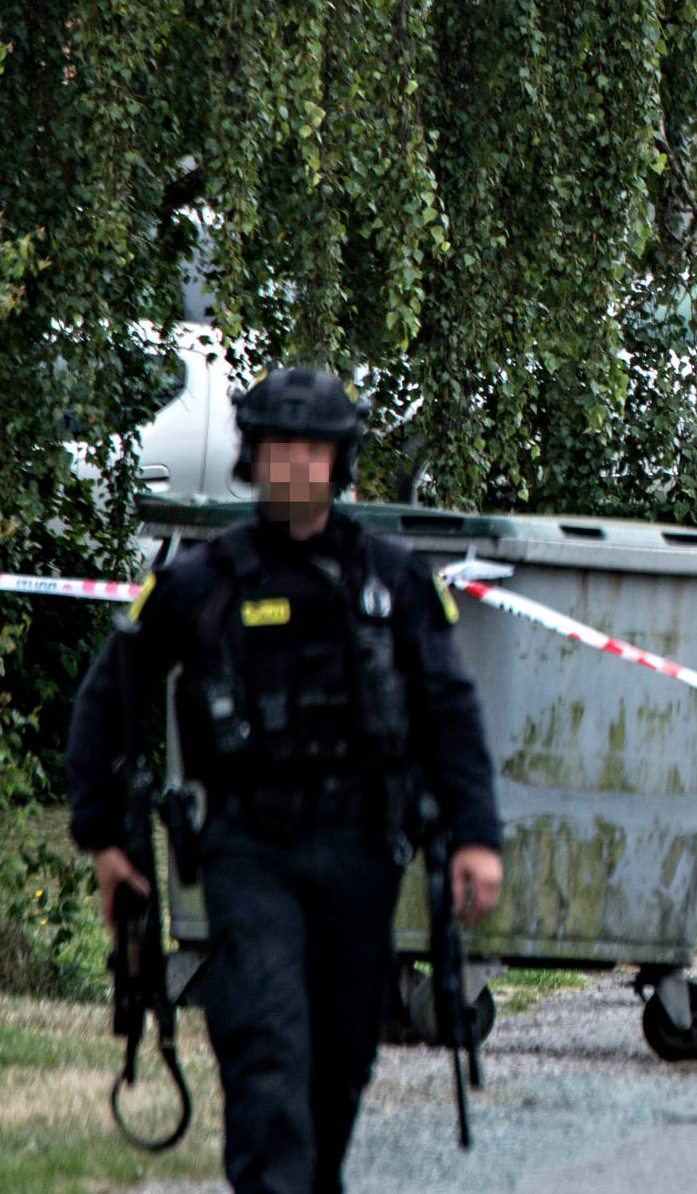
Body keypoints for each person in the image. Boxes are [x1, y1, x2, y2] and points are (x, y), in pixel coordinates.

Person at [67, 366, 503, 1194]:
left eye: (311, 449)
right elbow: (108, 696)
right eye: (276, 447)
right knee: (265, 1046)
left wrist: (476, 838)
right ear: (251, 457)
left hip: (360, 848)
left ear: (340, 461)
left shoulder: (394, 582)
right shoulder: (201, 581)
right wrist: (104, 837)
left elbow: (450, 713)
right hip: (247, 851)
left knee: (338, 1060)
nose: (293, 465)